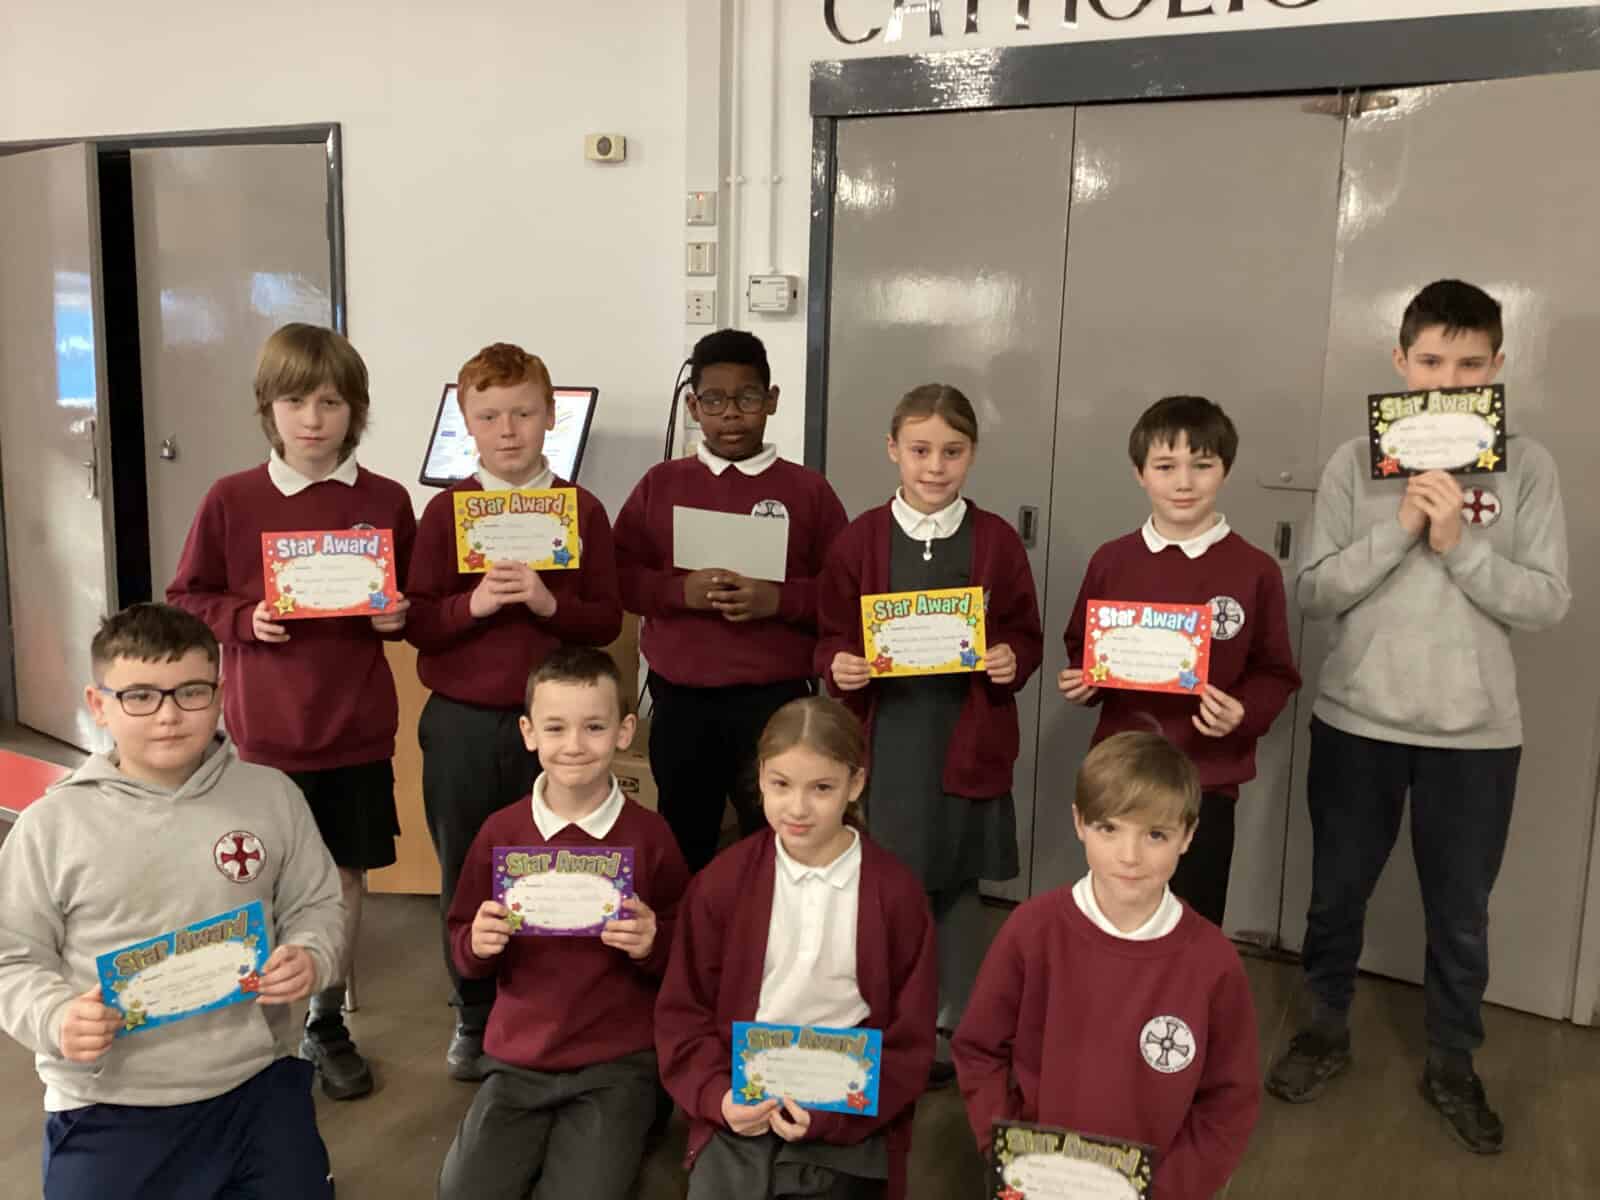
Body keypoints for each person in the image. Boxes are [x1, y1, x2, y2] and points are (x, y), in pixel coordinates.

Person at [1265, 280, 1570, 1154]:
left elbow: (1548, 600)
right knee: (1336, 896)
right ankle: (1323, 1031)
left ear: (1497, 366)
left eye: (1470, 364)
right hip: (1357, 724)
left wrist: (1458, 546)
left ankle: (1452, 1062)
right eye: (1431, 360)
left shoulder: (1529, 466)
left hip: (1476, 738)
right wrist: (1398, 529)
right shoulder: (1350, 461)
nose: (1448, 377)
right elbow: (1313, 591)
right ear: (1401, 362)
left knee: (1461, 914)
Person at [0, 603, 344, 1198]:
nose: (168, 715)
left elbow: (316, 905)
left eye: (190, 692)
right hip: (108, 1103)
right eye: (139, 696)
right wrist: (55, 1017)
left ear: (219, 694)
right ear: (98, 704)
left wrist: (311, 954)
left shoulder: (271, 796)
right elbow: (11, 957)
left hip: (254, 1082)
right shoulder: (51, 826)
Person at [167, 322, 415, 1099]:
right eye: (295, 401)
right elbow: (187, 598)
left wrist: (397, 616)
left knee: (343, 876)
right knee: (253, 882)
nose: (313, 419)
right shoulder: (232, 499)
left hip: (356, 731)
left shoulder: (385, 500)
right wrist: (245, 619)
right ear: (267, 408)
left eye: (331, 402)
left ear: (356, 410)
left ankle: (326, 1019)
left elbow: (415, 600)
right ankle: (254, 1023)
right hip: (264, 736)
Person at [406, 342, 623, 1078]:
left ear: (550, 416)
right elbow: (416, 621)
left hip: (562, 730)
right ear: (466, 423)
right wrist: (471, 605)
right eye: (490, 416)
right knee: (469, 866)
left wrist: (547, 602)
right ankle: (473, 1015)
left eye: (524, 414)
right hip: (465, 722)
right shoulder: (446, 512)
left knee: (559, 864)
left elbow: (606, 621)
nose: (508, 431)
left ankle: (555, 1006)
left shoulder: (582, 510)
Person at [816, 383, 1042, 1086]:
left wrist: (1011, 659)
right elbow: (828, 635)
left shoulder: (995, 540)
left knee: (957, 885)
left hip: (965, 738)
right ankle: (885, 1020)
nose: (935, 467)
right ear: (893, 450)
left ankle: (956, 1027)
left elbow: (1025, 634)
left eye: (952, 451)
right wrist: (839, 664)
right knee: (886, 885)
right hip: (888, 741)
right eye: (920, 450)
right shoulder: (860, 539)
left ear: (972, 454)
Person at [953, 731, 1260, 1200]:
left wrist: (1169, 1189)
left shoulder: (1213, 963)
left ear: (1188, 835)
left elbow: (1229, 1101)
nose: (1129, 856)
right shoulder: (1031, 931)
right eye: (1109, 829)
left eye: (1155, 835)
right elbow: (979, 1049)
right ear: (1079, 822)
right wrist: (1009, 1149)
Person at [655, 697, 937, 1200]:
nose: (798, 808)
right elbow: (684, 1013)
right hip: (739, 1093)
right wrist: (718, 1097)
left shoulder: (896, 894)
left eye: (821, 788)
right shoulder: (721, 883)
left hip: (848, 1106)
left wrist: (833, 1116)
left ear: (855, 783)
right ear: (761, 778)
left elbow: (909, 1041)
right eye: (781, 784)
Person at [436, 646, 688, 1199]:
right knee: (462, 1193)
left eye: (594, 727)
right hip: (517, 1060)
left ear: (624, 732)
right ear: (529, 733)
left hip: (616, 1064)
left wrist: (653, 942)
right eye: (555, 727)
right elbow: (461, 942)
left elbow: (686, 953)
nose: (574, 745)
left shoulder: (650, 836)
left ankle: (642, 1116)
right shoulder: (500, 833)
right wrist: (477, 945)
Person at [1058, 395, 1300, 927]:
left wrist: (1243, 711)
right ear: (1140, 474)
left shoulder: (1254, 569)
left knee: (1193, 919)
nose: (1184, 482)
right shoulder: (1112, 560)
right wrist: (1085, 680)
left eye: (1202, 465)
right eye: (1165, 467)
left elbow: (1276, 671)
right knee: (1113, 912)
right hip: (1120, 772)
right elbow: (1082, 642)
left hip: (1205, 779)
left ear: (1225, 470)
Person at [614, 328, 848, 872]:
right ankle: (690, 928)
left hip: (776, 702)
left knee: (777, 841)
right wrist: (680, 591)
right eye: (714, 400)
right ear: (693, 406)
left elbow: (844, 592)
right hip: (681, 701)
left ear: (772, 401)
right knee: (684, 837)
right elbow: (620, 577)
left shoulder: (808, 492)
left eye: (747, 398)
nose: (731, 414)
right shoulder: (661, 484)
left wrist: (779, 601)